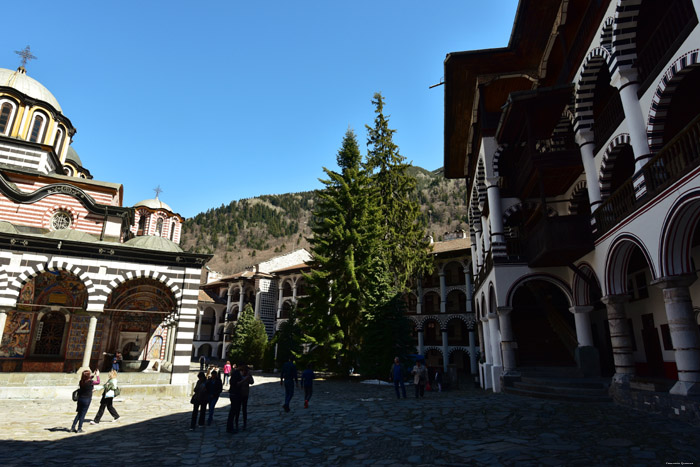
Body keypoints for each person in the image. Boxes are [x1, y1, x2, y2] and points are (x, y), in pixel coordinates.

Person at [71, 369, 100, 433]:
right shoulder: (90, 382)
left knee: (79, 413)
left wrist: (93, 375)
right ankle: (79, 428)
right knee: (82, 415)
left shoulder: (81, 381)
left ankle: (73, 427)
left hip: (80, 399)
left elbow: (87, 378)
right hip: (86, 400)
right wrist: (97, 375)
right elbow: (98, 382)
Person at [226, 365, 243, 433]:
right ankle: (230, 428)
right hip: (235, 394)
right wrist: (244, 380)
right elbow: (236, 383)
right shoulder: (236, 373)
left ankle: (231, 426)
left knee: (234, 411)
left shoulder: (235, 373)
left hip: (234, 394)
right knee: (233, 411)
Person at [237, 365, 254, 430]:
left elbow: (252, 382)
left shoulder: (248, 374)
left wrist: (248, 378)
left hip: (245, 394)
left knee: (244, 409)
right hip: (238, 394)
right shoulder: (239, 374)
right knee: (237, 409)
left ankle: (245, 423)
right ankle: (237, 423)